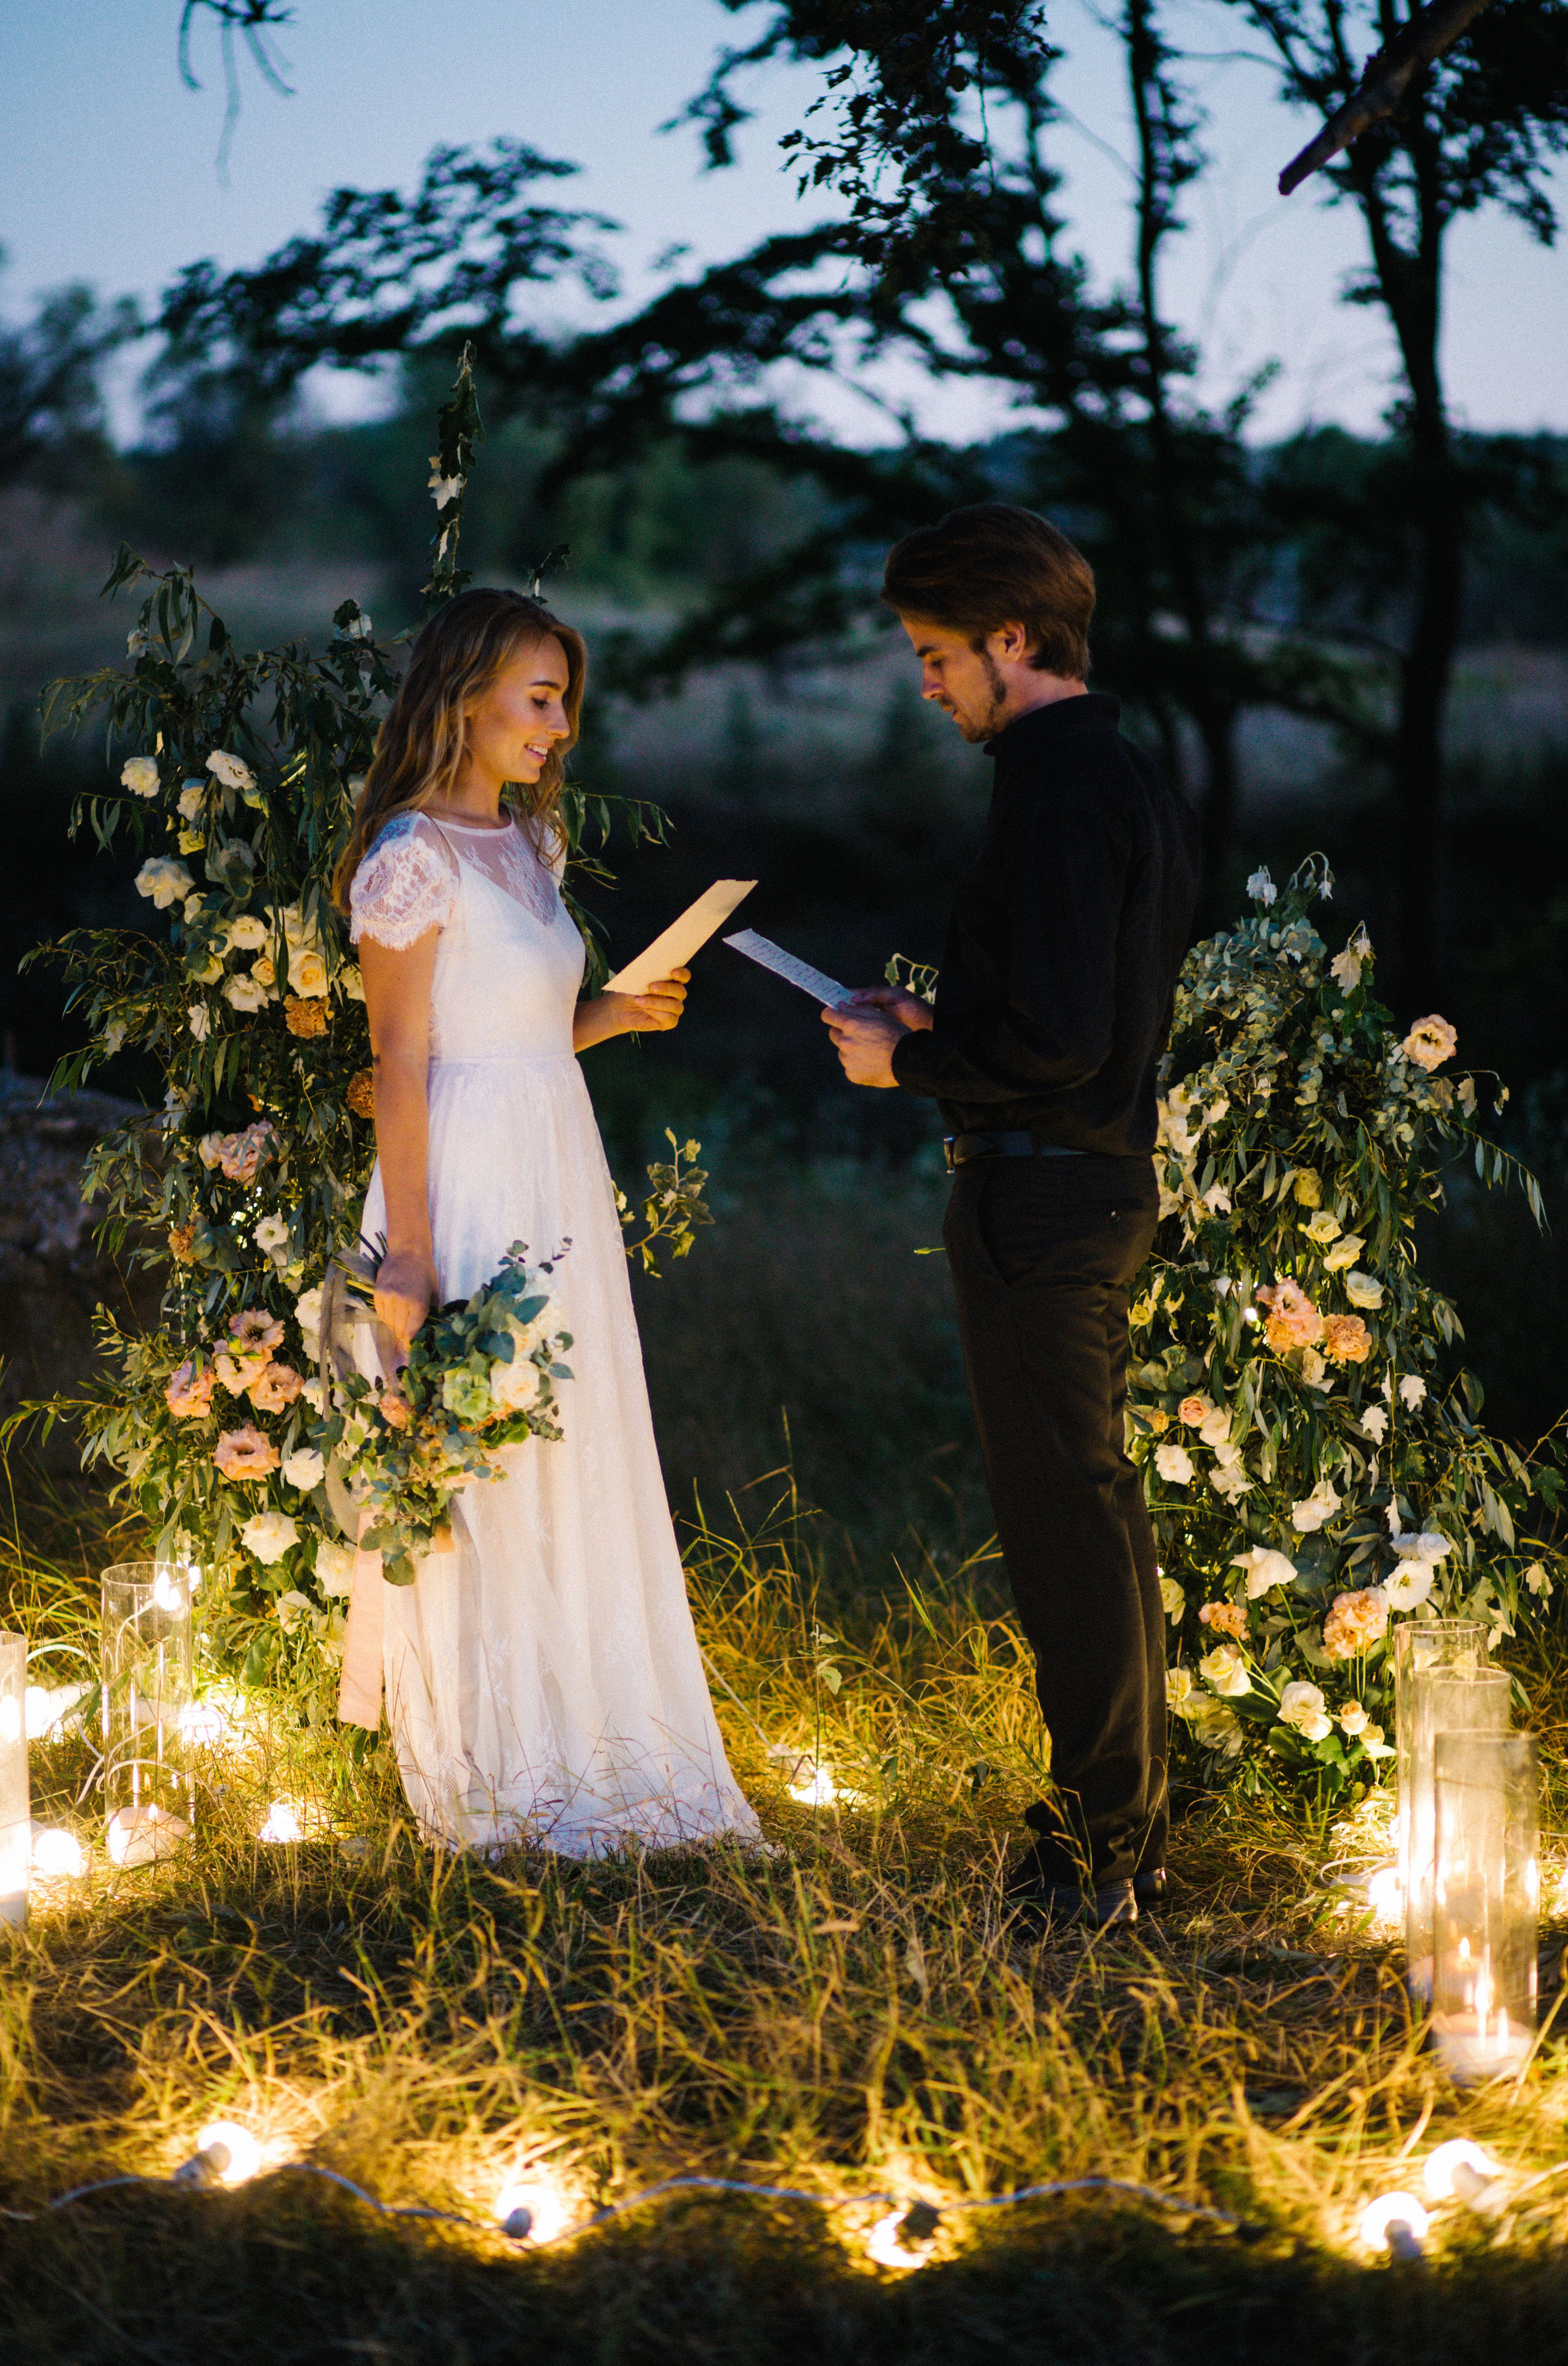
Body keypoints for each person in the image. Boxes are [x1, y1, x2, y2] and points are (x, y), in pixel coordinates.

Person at [331, 586, 760, 1858]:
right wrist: (407, 1252)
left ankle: (603, 1735)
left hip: (553, 1165)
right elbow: (405, 1061)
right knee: (479, 1453)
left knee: (567, 1438)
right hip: (457, 1179)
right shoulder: (406, 858)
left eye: (565, 700)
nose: (560, 725)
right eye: (539, 698)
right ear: (463, 699)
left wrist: (611, 1018)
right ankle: (496, 1754)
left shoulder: (529, 848)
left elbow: (511, 1031)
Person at [824, 505, 1198, 1931]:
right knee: (1092, 1514)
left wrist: (906, 1059)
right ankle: (1126, 1833)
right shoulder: (1118, 772)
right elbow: (1078, 1009)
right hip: (1087, 1176)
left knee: (1064, 1525)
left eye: (934, 655)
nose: (925, 685)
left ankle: (1093, 1854)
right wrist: (944, 1020)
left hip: (1040, 1192)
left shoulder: (1053, 789)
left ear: (1010, 640)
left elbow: (1054, 1034)